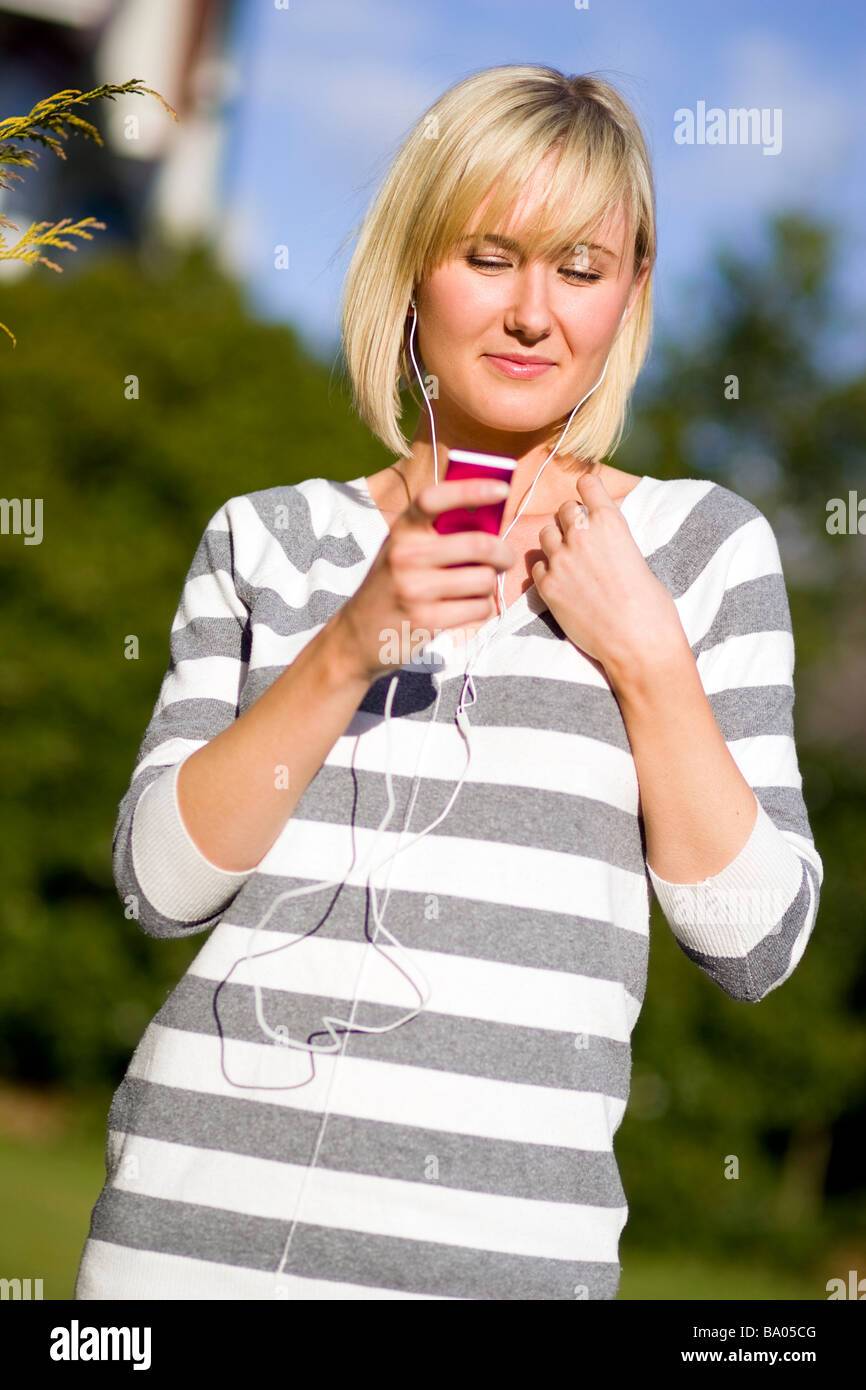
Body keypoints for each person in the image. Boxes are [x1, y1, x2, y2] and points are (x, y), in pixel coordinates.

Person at [74, 64, 822, 1301]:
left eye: (580, 269)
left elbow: (754, 942)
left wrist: (641, 651)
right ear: (413, 268)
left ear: (629, 294)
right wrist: (350, 639)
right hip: (185, 1248)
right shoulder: (269, 540)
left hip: (508, 1270)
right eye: (488, 256)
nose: (534, 312)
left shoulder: (700, 550)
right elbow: (159, 884)